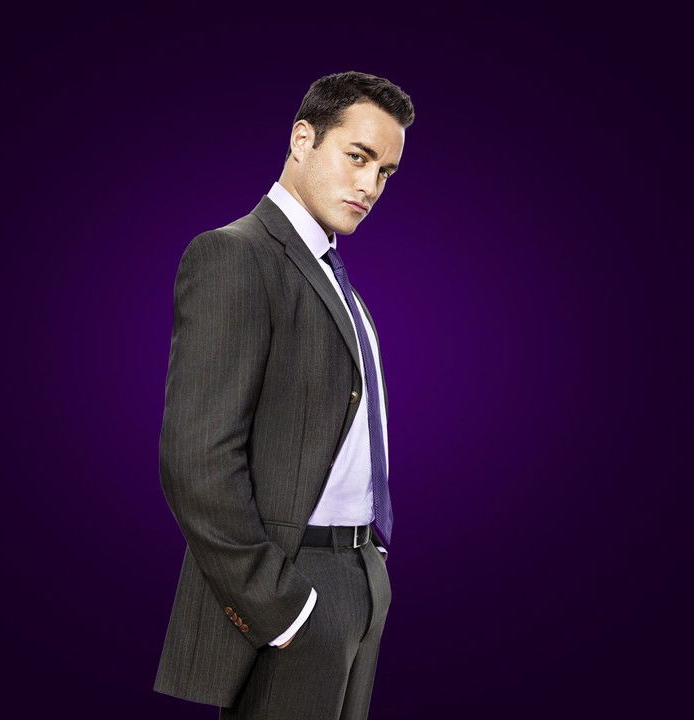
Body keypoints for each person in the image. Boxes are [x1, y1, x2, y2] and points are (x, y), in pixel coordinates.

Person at [153, 71, 413, 720]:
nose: (370, 186)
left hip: (359, 576)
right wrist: (280, 607)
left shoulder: (337, 281)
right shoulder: (235, 256)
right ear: (302, 139)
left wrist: (371, 567)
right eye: (358, 157)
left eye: (385, 172)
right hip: (296, 587)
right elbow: (196, 461)